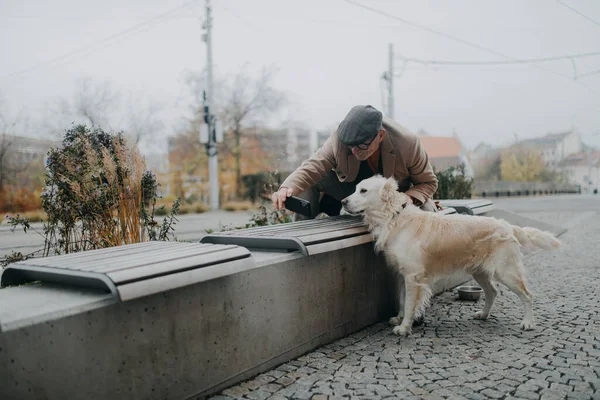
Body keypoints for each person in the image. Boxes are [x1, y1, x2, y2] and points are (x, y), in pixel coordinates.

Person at [272, 105, 439, 219]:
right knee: (308, 181)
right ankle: (303, 233)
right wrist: (287, 187)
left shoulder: (407, 143)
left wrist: (406, 199)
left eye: (361, 145)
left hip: (391, 196)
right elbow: (314, 165)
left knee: (427, 210)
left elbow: (428, 183)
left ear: (380, 136)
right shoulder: (339, 139)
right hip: (352, 189)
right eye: (350, 146)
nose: (354, 151)